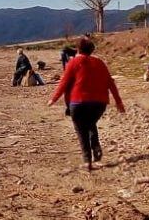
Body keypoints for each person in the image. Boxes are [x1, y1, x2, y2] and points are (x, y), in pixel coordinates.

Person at [49, 37, 124, 171]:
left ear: (77, 49)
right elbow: (110, 82)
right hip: (99, 103)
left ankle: (87, 161)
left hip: (78, 102)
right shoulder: (100, 62)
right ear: (92, 50)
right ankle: (96, 146)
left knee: (81, 130)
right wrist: (118, 102)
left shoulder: (73, 62)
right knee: (90, 123)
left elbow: (64, 83)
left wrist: (54, 99)